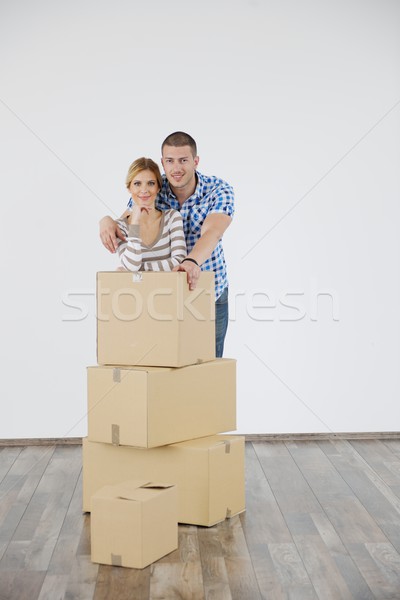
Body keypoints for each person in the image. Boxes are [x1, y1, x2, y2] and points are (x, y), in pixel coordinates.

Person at [100, 132, 234, 357]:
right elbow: (126, 220)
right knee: (168, 365)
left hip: (208, 291)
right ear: (163, 162)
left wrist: (190, 261)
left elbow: (213, 231)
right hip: (164, 295)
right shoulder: (153, 186)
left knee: (208, 366)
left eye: (183, 160)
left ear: (196, 161)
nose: (176, 168)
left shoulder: (218, 189)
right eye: (170, 161)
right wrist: (105, 220)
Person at [115, 157, 186, 271]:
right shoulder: (119, 227)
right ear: (129, 188)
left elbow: (179, 261)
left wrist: (138, 270)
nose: (144, 190)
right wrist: (135, 222)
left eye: (151, 183)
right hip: (134, 289)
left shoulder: (172, 217)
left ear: (158, 187)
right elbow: (131, 265)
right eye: (137, 183)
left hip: (169, 288)